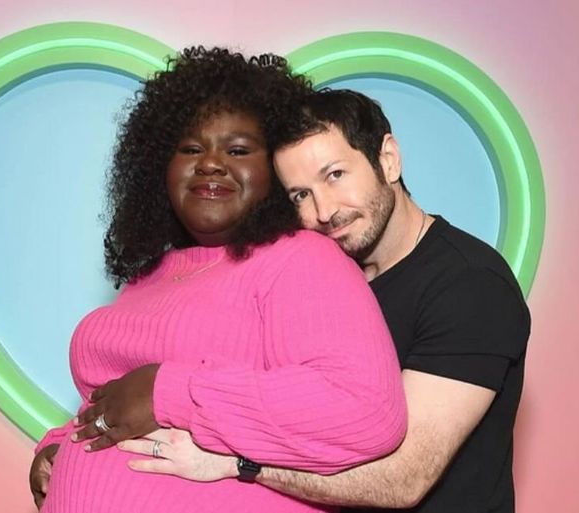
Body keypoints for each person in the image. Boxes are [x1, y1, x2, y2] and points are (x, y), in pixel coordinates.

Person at [113, 89, 531, 512]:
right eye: (300, 195)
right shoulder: (317, 281)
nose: (324, 210)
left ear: (388, 160)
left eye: (335, 175)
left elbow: (404, 479)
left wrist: (238, 463)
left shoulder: (470, 284)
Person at [28, 50, 407, 512]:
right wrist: (62, 446)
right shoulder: (151, 275)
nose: (210, 163)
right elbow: (119, 403)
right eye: (191, 149)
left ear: (275, 174)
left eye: (238, 150)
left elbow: (363, 411)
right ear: (157, 169)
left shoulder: (301, 259)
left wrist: (170, 392)